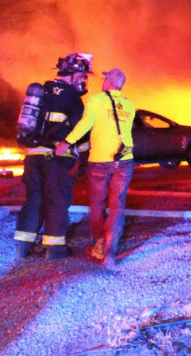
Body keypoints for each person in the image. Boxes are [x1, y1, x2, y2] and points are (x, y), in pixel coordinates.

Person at [14, 53, 92, 260]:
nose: (84, 80)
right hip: (56, 159)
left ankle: (22, 247)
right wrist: (84, 157)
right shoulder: (72, 98)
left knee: (34, 200)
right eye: (82, 75)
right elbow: (81, 131)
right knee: (57, 200)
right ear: (73, 74)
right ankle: (55, 248)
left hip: (32, 156)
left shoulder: (43, 91)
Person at [56, 67, 134, 268]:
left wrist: (67, 142)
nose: (102, 80)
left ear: (108, 81)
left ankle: (99, 241)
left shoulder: (96, 100)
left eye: (104, 78)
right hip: (124, 160)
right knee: (118, 205)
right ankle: (110, 253)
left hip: (100, 160)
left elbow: (85, 124)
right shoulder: (129, 105)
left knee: (98, 203)